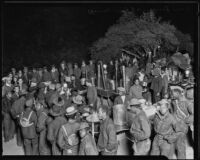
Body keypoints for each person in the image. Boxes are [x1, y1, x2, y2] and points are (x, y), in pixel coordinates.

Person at [171, 88, 193, 159]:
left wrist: (185, 121)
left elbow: (194, 114)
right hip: (175, 125)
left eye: (172, 94)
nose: (171, 96)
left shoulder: (187, 103)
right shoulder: (175, 101)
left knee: (180, 145)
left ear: (177, 94)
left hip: (182, 126)